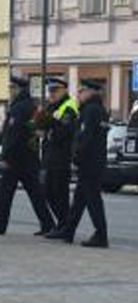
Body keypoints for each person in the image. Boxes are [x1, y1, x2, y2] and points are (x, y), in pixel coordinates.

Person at [0, 76, 55, 236]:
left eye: (11, 88)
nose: (10, 91)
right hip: (29, 157)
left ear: (18, 89)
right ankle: (48, 224)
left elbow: (13, 135)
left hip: (15, 159)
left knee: (5, 194)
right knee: (35, 194)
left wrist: (5, 157)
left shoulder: (19, 108)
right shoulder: (32, 105)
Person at [46, 80, 110, 248]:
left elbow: (85, 138)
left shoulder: (91, 111)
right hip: (94, 161)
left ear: (91, 92)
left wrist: (77, 158)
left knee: (93, 200)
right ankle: (69, 230)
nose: (79, 94)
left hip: (90, 162)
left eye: (82, 91)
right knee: (79, 200)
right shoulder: (99, 110)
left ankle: (101, 235)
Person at [41, 78, 78, 231]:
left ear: (64, 90)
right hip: (50, 156)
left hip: (62, 157)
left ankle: (64, 225)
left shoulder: (68, 108)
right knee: (48, 192)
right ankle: (62, 224)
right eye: (50, 91)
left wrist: (47, 131)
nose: (52, 94)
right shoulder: (52, 106)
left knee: (60, 194)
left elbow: (64, 133)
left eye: (55, 91)